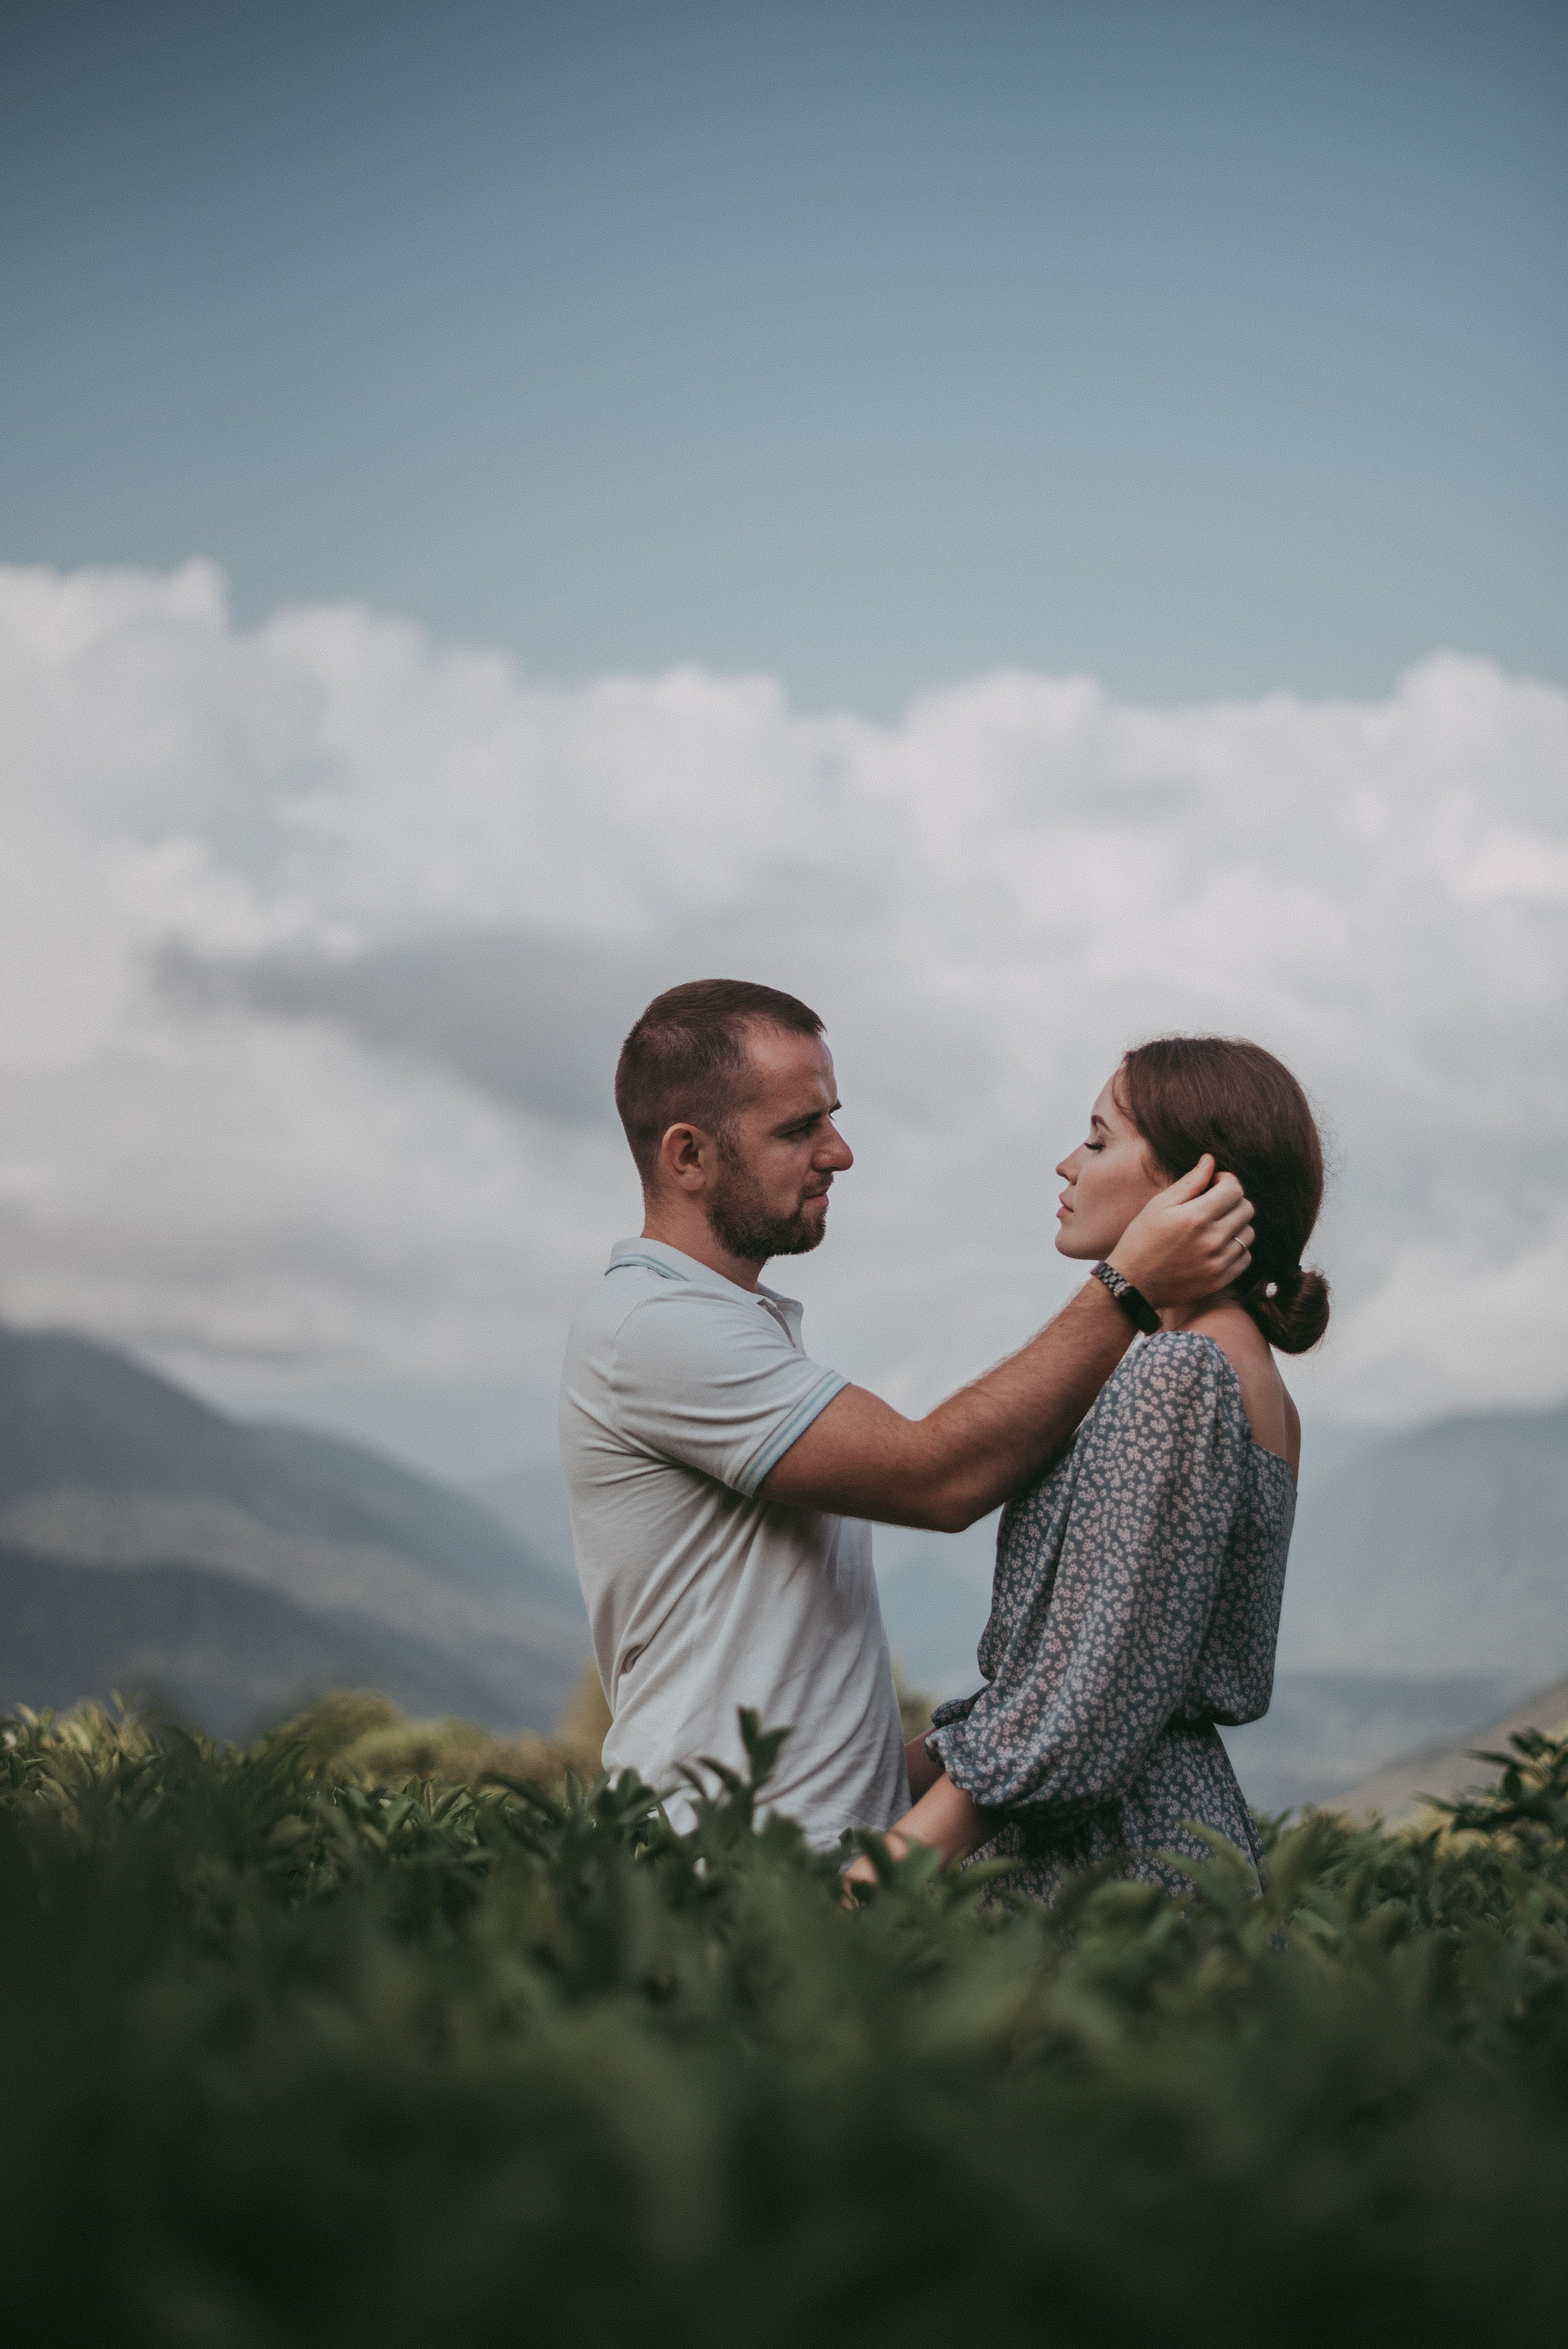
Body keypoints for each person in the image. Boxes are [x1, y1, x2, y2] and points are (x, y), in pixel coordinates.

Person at [559, 983, 1256, 1849]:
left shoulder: (728, 1323)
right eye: (797, 1130)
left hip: (797, 1853)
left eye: (831, 1117)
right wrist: (1127, 1287)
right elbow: (939, 1477)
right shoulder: (654, 1331)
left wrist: (956, 1766)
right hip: (730, 1862)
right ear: (688, 1156)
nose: (840, 1153)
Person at [844, 1035, 1328, 1901]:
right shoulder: (1230, 1368)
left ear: (1195, 1185)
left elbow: (1087, 1703)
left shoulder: (1179, 1376)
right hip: (1161, 1827)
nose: (1068, 1164)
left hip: (1112, 1859)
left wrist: (878, 1876)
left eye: (1099, 1140)